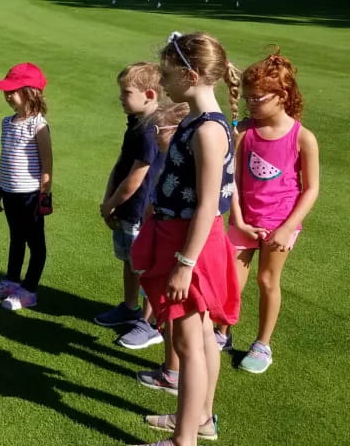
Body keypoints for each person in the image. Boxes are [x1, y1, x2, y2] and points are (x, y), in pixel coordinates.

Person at [127, 32, 241, 446]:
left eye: (169, 74)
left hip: (191, 244)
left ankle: (184, 440)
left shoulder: (208, 130)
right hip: (181, 237)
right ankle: (200, 419)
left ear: (191, 75)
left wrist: (184, 263)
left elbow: (209, 205)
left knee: (189, 342)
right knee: (200, 336)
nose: (164, 80)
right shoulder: (195, 119)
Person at [216, 50, 319, 373]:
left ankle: (262, 344)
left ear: (282, 96)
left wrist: (288, 228)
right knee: (231, 279)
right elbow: (229, 178)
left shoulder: (303, 137)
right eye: (247, 98)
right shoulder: (244, 132)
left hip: (280, 224)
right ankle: (222, 332)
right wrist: (241, 221)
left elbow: (311, 188)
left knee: (267, 280)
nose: (251, 105)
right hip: (243, 220)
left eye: (258, 98)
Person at [94, 63, 162, 347]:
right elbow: (120, 165)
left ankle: (149, 322)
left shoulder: (150, 130)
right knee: (129, 261)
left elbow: (136, 178)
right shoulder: (135, 124)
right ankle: (130, 307)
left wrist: (111, 204)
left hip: (140, 210)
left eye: (126, 93)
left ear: (148, 94)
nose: (121, 98)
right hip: (125, 209)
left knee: (145, 267)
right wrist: (109, 198)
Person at [0, 63, 53, 311]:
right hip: (10, 192)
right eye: (6, 90)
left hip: (31, 195)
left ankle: (29, 290)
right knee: (16, 238)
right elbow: (4, 158)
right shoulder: (7, 122)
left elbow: (47, 162)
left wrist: (45, 193)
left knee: (36, 243)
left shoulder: (38, 125)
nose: (7, 94)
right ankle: (12, 280)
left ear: (29, 92)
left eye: (12, 90)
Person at [133, 101, 190, 394]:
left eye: (159, 129)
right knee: (168, 311)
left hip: (174, 248)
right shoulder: (171, 160)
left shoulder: (181, 166)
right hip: (162, 239)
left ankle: (173, 372)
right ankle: (171, 369)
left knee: (175, 313)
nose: (154, 134)